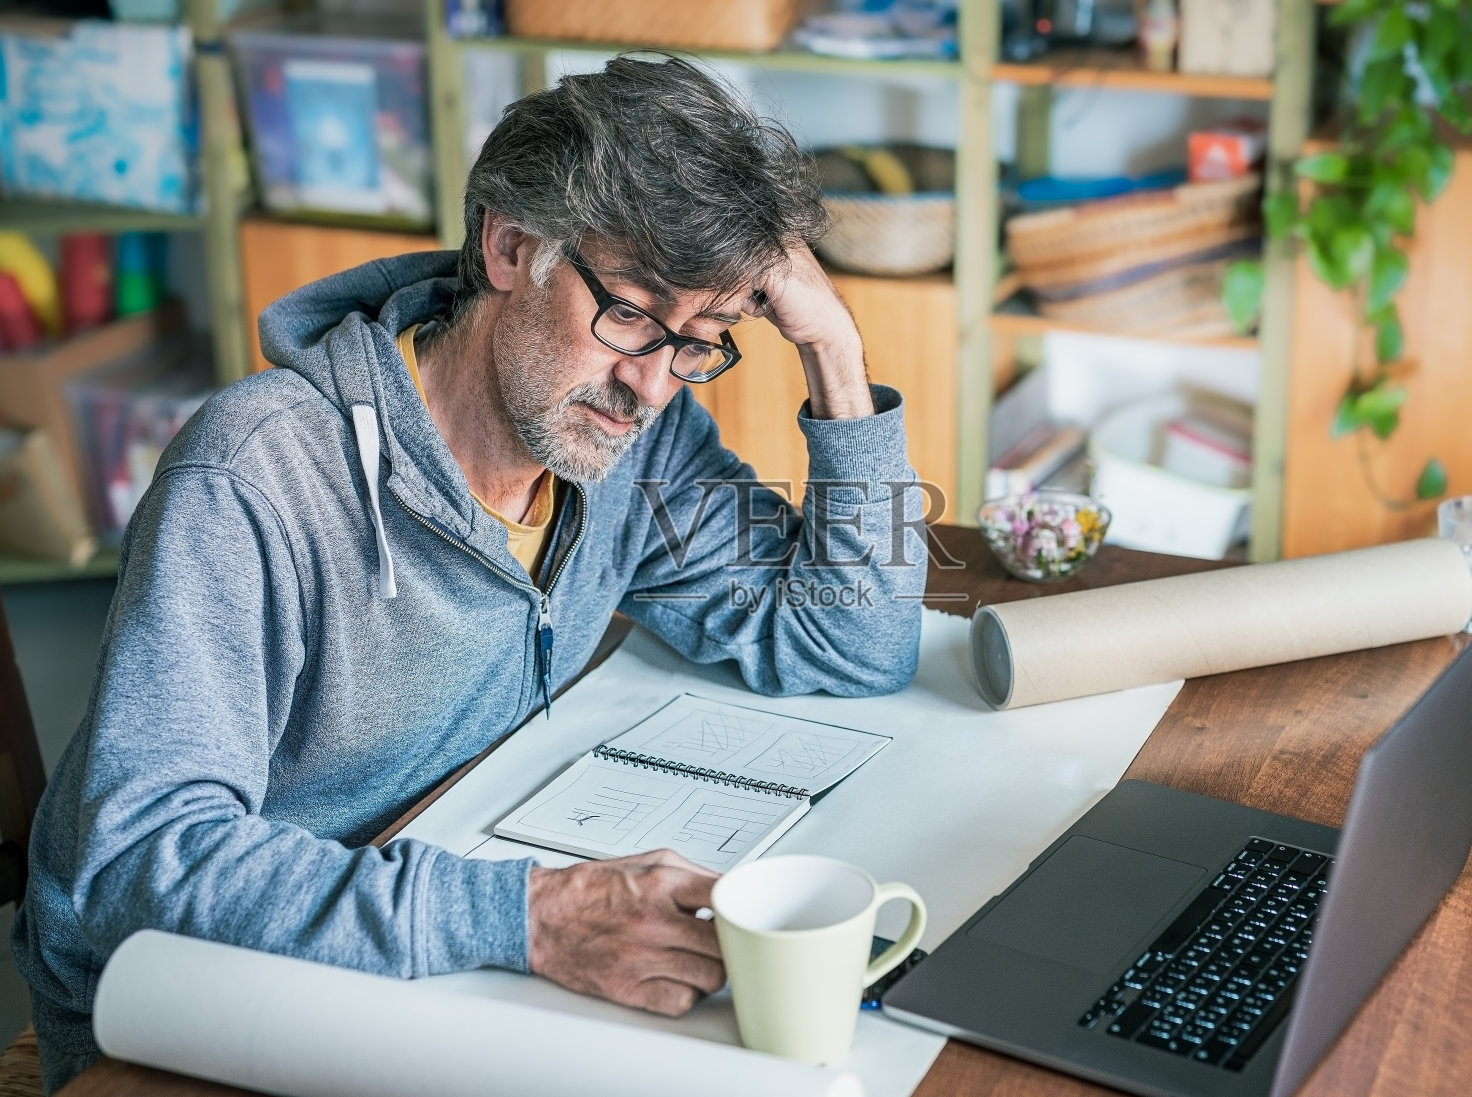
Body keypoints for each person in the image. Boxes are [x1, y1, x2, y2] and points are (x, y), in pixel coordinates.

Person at [13, 56, 927, 1093]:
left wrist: (838, 355)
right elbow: (143, 858)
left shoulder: (633, 440)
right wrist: (525, 916)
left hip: (444, 914)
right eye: (628, 313)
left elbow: (858, 644)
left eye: (699, 343)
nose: (649, 386)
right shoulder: (258, 471)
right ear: (509, 244)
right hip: (193, 1002)